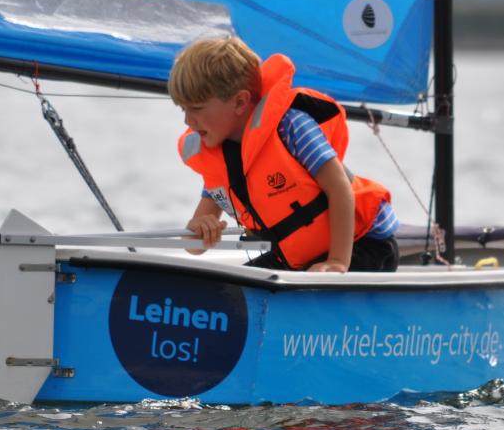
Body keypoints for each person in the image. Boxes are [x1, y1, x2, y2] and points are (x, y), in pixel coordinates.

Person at [170, 36, 399, 272]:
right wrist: (199, 230)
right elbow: (193, 246)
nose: (188, 120)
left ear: (240, 102)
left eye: (196, 108)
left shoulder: (291, 127)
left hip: (364, 244)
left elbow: (340, 188)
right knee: (230, 289)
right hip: (300, 259)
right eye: (183, 109)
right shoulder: (219, 159)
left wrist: (337, 262)